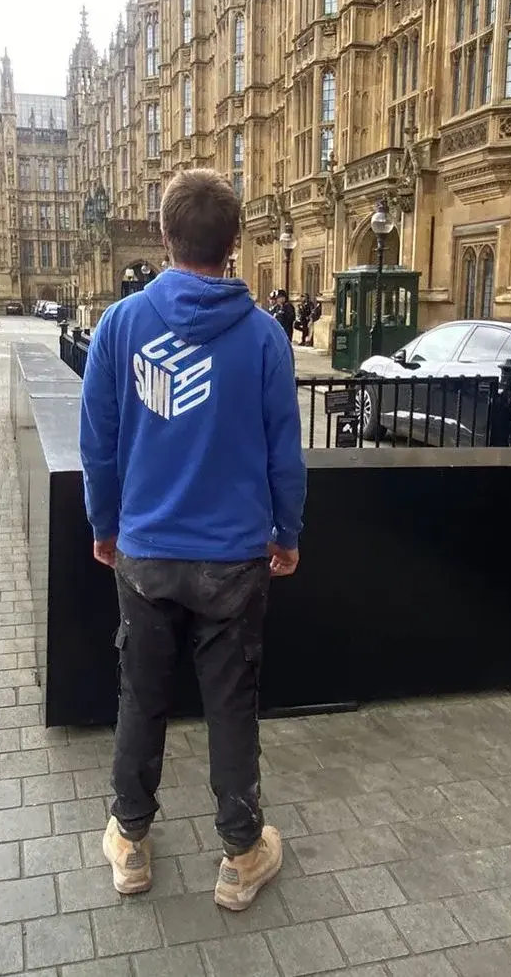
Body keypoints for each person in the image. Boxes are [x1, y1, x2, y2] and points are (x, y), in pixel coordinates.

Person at [80, 167, 305, 912]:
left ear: (164, 236)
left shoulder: (120, 326)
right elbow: (284, 453)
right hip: (234, 559)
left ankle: (131, 844)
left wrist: (103, 525)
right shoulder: (265, 337)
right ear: (235, 242)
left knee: (141, 697)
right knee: (231, 706)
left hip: (145, 553)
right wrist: (287, 532)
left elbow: (99, 443)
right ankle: (240, 855)